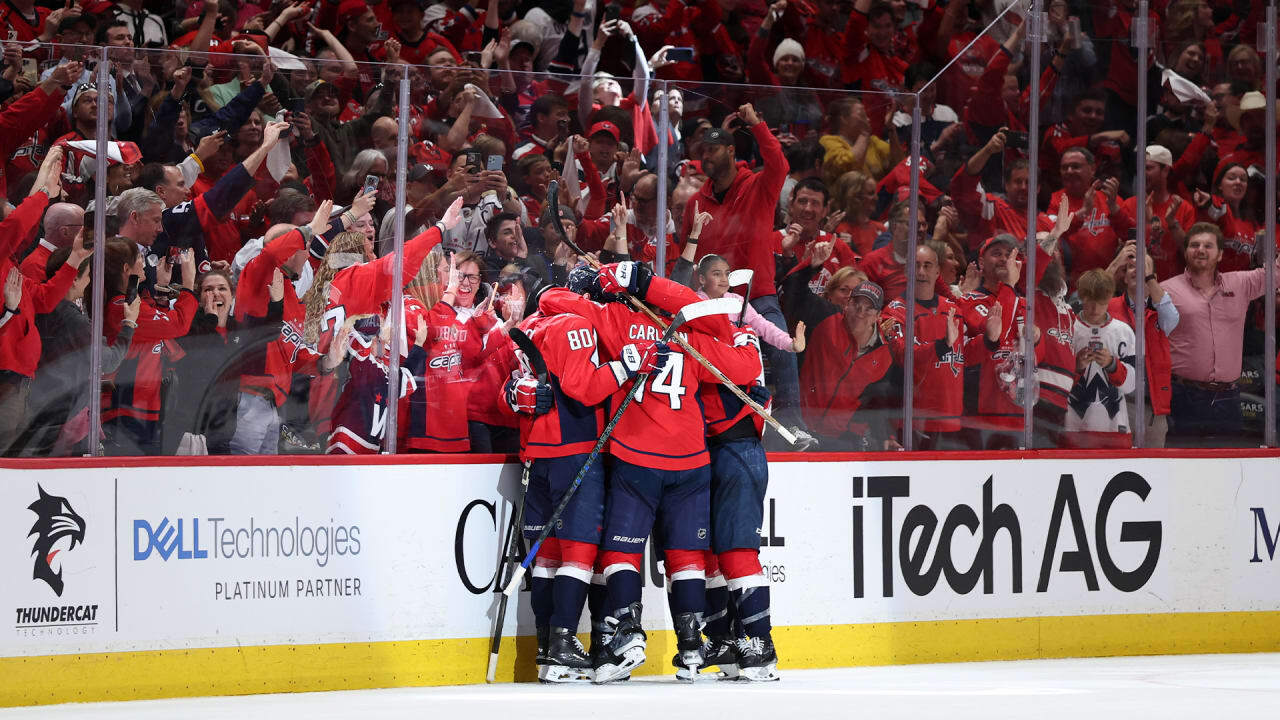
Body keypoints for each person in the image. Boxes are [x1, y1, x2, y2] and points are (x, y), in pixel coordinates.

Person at [538, 260, 762, 683]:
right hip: (692, 459)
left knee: (621, 552)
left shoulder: (615, 320)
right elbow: (741, 362)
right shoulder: (689, 331)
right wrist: (745, 339)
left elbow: (552, 300)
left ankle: (628, 635)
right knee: (686, 557)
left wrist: (594, 285)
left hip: (636, 457)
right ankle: (693, 650)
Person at [1160, 223, 1276, 446]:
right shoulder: (1166, 290)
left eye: (1208, 245)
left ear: (1220, 254)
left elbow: (1276, 273)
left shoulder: (1240, 283)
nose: (1200, 250)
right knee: (1182, 469)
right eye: (1194, 245)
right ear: (1185, 252)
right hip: (1183, 395)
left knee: (1228, 470)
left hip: (1228, 398)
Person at [882, 241, 965, 450]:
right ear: (906, 270)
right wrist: (942, 345)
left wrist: (990, 339)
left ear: (938, 271)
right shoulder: (894, 312)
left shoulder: (952, 309)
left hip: (951, 417)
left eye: (927, 265)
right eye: (916, 265)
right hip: (913, 419)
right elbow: (902, 354)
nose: (921, 271)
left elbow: (965, 354)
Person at [1107, 242, 1178, 448]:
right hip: (1116, 404)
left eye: (1143, 266)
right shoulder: (1108, 306)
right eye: (1130, 267)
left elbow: (1173, 319)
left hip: (1152, 409)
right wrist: (1116, 262)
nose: (1136, 271)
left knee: (1154, 471)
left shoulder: (1160, 312)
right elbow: (1092, 293)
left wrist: (1149, 277)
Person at [1065, 269, 1136, 449]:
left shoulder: (1124, 332)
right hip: (1073, 429)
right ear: (1081, 297)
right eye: (1089, 301)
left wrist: (1112, 365)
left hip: (1115, 429)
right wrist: (1077, 367)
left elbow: (1132, 385)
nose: (1095, 309)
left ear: (1110, 297)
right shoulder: (1068, 328)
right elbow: (1057, 384)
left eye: (1102, 302)